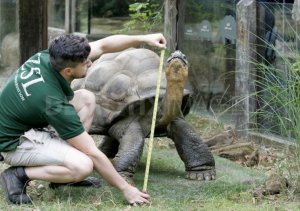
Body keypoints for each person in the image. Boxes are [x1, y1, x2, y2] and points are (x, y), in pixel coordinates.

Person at [0, 33, 167, 205]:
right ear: (68, 71)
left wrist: (143, 38)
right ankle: (18, 174)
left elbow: (103, 46)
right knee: (84, 165)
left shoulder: (51, 57)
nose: (90, 62)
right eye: (85, 62)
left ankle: (62, 176)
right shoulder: (54, 104)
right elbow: (93, 154)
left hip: (25, 122)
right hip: (12, 143)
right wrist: (126, 189)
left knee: (86, 98)